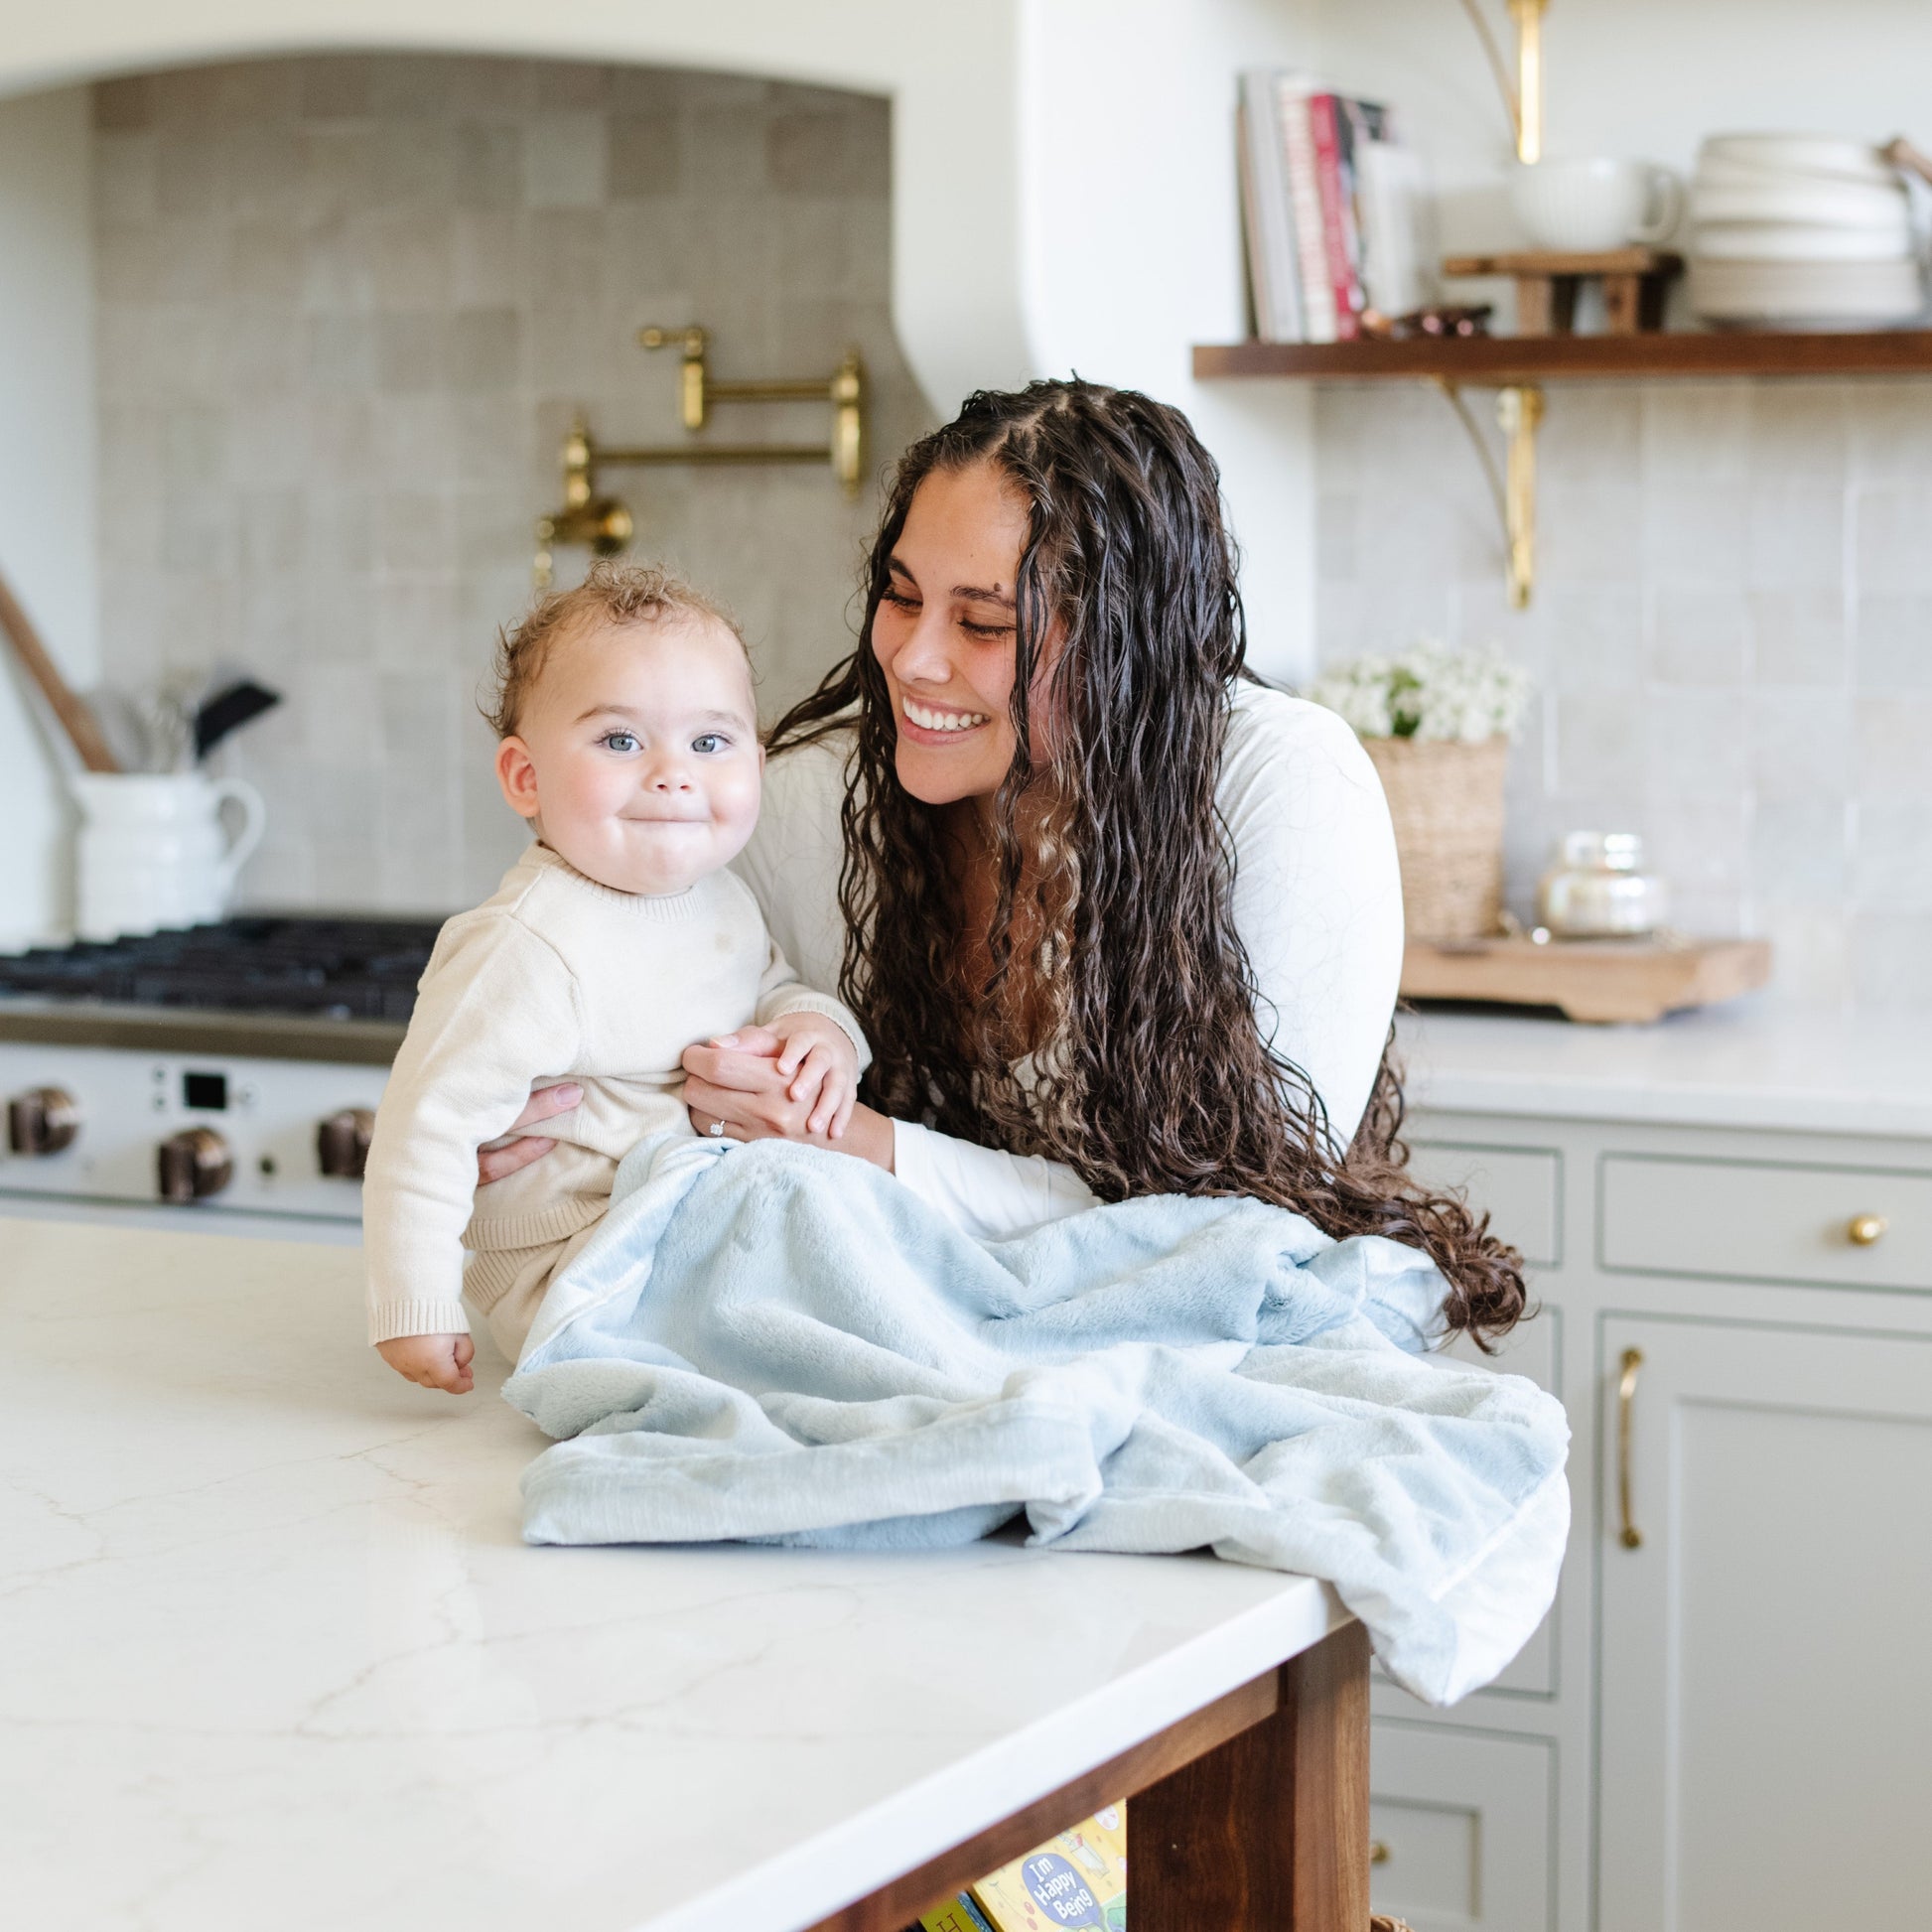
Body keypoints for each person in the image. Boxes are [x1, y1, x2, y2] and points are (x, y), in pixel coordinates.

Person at [484, 381, 1525, 1344]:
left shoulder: (1282, 786)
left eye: (983, 621)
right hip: (922, 1363)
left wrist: (866, 1146)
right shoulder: (809, 799)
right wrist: (528, 1107)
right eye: (900, 597)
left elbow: (1243, 1230)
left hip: (1225, 1358)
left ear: (1125, 643)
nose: (911, 658)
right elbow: (579, 969)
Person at [366, 562, 867, 1393]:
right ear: (526, 777)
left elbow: (774, 990)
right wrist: (414, 1305)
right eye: (620, 741)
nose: (673, 772)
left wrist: (823, 1031)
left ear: (756, 758)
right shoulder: (526, 944)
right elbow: (428, 1127)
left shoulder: (720, 899)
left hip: (692, 1227)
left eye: (710, 742)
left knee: (855, 1247)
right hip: (575, 1264)